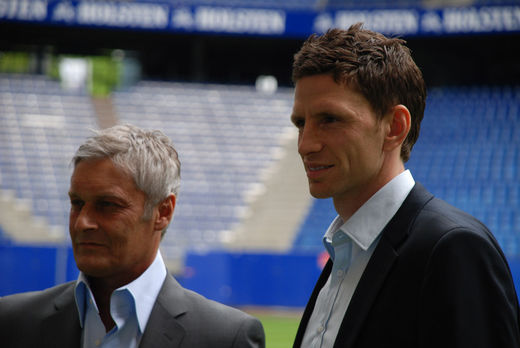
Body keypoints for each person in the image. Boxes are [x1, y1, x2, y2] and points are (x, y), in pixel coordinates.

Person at [290, 23, 520, 348]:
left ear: (394, 127)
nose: (305, 144)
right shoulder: (345, 254)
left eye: (330, 119)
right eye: (301, 123)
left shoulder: (454, 250)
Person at [0, 124, 265, 348]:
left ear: (163, 212)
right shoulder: (12, 322)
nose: (82, 222)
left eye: (108, 205)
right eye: (77, 203)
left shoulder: (226, 338)